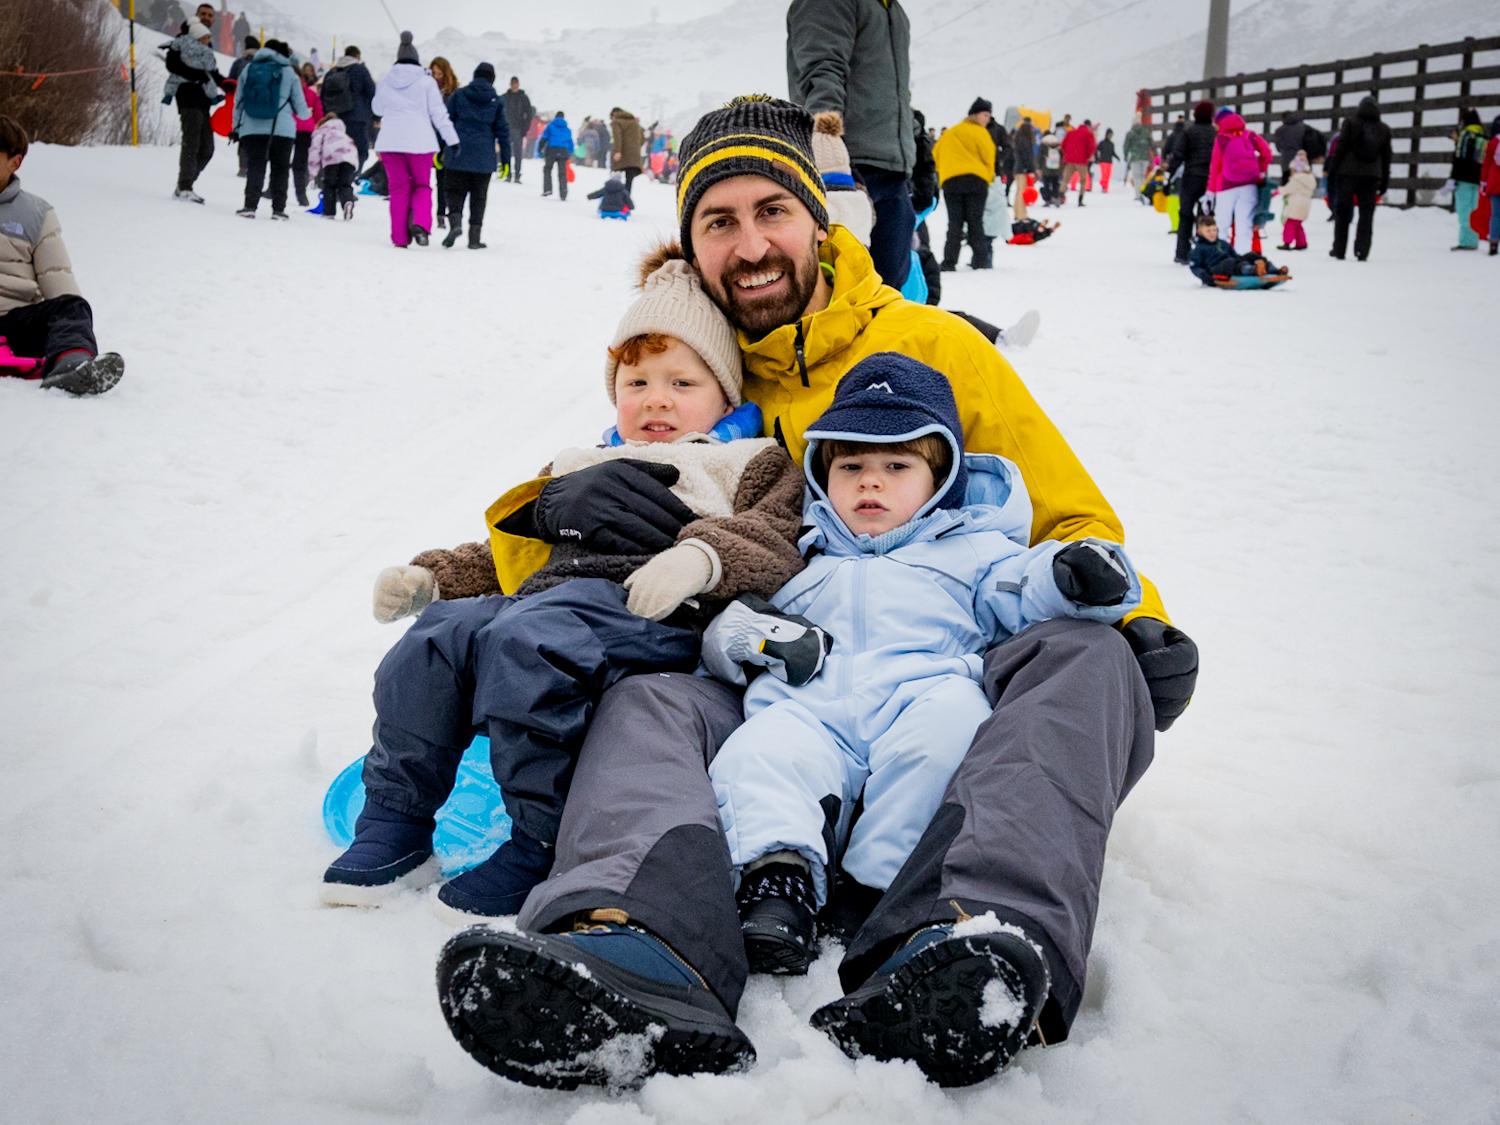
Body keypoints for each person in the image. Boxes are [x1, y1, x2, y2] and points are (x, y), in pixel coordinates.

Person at [435, 95, 1199, 1091]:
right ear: (693, 247)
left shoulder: (936, 347)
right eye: (719, 221)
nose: (750, 244)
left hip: (945, 653)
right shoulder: (696, 369)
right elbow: (582, 575)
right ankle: (638, 943)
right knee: (649, 697)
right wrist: (564, 510)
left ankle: (967, 936)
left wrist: (1136, 620)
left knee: (1088, 656)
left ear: (818, 220)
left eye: (771, 212)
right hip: (775, 669)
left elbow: (1068, 522)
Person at [322, 251, 806, 920]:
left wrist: (701, 556)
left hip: (654, 616)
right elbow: (516, 551)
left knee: (530, 640)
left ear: (727, 393)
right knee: (441, 636)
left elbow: (776, 536)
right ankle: (397, 817)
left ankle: (537, 836)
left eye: (681, 381)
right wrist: (434, 575)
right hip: (549, 602)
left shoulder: (746, 460)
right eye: (636, 382)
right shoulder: (581, 460)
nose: (656, 398)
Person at [708, 353, 1141, 976]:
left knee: (947, 739)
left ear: (941, 478)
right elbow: (722, 629)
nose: (870, 483)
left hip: (923, 694)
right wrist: (756, 635)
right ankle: (778, 886)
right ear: (822, 473)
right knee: (762, 754)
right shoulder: (799, 554)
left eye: (897, 466)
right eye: (850, 466)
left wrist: (1074, 574)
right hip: (809, 708)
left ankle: (879, 892)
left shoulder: (972, 549)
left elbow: (1023, 587)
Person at [787, 0, 916, 290]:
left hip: (891, 166)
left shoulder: (892, 9)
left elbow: (898, 93)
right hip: (846, 163)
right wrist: (825, 136)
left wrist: (917, 151)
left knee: (888, 289)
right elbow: (821, 68)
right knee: (843, 286)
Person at [0, 116, 125, 396]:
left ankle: (71, 367)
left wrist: (72, 322)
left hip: (12, 320)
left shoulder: (36, 213)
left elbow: (57, 278)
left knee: (71, 307)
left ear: (14, 162)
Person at [371, 32, 458, 248]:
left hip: (390, 141)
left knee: (398, 189)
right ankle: (419, 223)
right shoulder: (427, 82)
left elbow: (376, 109)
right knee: (421, 186)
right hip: (420, 143)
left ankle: (400, 238)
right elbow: (439, 114)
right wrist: (452, 140)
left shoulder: (385, 80)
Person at [229, 40, 307, 221]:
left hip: (252, 127)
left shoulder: (249, 69)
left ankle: (249, 206)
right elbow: (302, 110)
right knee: (280, 169)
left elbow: (238, 102)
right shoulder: (289, 72)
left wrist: (235, 127)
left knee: (256, 166)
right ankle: (278, 210)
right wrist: (304, 113)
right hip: (283, 130)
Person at [441, 63, 510, 250]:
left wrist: (440, 149)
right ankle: (474, 238)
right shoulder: (496, 100)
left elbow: (445, 122)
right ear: (492, 79)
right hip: (483, 158)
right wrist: (506, 162)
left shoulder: (459, 94)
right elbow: (503, 132)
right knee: (479, 197)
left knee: (454, 192)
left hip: (458, 153)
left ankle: (455, 223)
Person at [163, 19, 225, 204]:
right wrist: (198, 76)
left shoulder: (206, 52)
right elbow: (173, 66)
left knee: (207, 148)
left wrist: (227, 84)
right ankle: (185, 187)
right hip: (188, 99)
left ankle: (185, 184)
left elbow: (212, 74)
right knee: (192, 143)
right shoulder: (179, 46)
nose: (208, 39)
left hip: (203, 102)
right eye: (205, 36)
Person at [933, 99, 997, 270]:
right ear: (975, 114)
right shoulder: (980, 133)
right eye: (985, 115)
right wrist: (989, 176)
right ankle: (981, 260)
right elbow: (989, 156)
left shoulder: (950, 133)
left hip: (951, 182)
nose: (987, 119)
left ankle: (949, 262)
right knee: (975, 222)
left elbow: (936, 154)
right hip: (976, 181)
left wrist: (945, 172)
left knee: (954, 223)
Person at [1326, 96, 1392, 261]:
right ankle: (1362, 250)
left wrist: (1333, 170)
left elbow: (1341, 147)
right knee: (1367, 214)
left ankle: (1339, 249)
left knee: (1343, 212)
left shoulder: (1350, 122)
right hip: (1371, 175)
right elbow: (1386, 157)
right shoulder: (1384, 129)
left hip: (1347, 173)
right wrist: (1384, 181)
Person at [1207, 108, 1272, 252]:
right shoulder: (1250, 135)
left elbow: (1215, 165)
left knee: (1222, 225)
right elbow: (1267, 153)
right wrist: (1260, 170)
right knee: (1244, 225)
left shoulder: (1222, 139)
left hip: (1225, 186)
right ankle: (1241, 259)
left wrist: (1210, 190)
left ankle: (1221, 258)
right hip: (1249, 185)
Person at [1168, 100, 1217, 265]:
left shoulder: (1189, 132)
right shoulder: (1215, 133)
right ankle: (1205, 253)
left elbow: (1178, 153)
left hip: (1190, 178)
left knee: (1185, 215)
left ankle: (1182, 253)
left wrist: (1171, 172)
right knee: (1206, 217)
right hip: (1209, 180)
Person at [1187, 212, 1288, 285]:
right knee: (1230, 262)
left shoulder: (1223, 243)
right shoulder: (1198, 249)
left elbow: (1235, 256)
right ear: (1200, 232)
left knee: (1252, 255)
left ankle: (1274, 270)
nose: (1212, 233)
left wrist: (1246, 258)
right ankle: (1253, 270)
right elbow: (1195, 267)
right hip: (1216, 269)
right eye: (1208, 231)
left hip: (1233, 263)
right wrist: (1206, 277)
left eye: (1214, 230)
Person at [326, 46, 377, 172]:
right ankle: (348, 182)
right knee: (361, 152)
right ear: (357, 56)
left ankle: (335, 183)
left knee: (337, 152)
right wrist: (375, 116)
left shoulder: (332, 72)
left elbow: (323, 95)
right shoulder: (361, 70)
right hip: (357, 119)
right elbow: (372, 93)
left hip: (335, 119)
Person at [308, 113, 359, 221]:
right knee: (345, 184)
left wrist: (313, 171)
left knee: (329, 184)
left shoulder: (322, 131)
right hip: (349, 159)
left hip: (331, 158)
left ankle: (329, 212)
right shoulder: (344, 135)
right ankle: (347, 202)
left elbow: (315, 150)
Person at [428, 57, 460, 228]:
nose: (436, 77)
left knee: (445, 178)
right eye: (434, 73)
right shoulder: (426, 88)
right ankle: (435, 212)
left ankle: (442, 212)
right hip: (429, 137)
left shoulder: (454, 92)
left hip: (446, 137)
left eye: (439, 74)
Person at [1450, 107, 1486, 252]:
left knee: (1464, 210)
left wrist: (1453, 177)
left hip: (1464, 177)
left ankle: (1467, 241)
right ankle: (1473, 239)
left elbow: (1460, 157)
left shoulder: (1465, 135)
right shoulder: (1483, 134)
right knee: (1474, 208)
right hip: (1478, 179)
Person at [291, 62, 323, 208]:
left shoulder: (284, 90)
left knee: (279, 161)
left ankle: (273, 190)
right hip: (306, 129)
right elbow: (319, 114)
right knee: (300, 163)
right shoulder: (310, 94)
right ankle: (301, 195)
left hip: (284, 129)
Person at [1278, 150, 1316, 250]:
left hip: (1295, 205)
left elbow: (1287, 189)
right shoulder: (1310, 178)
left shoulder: (1296, 179)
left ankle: (1287, 242)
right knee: (1297, 225)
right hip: (1305, 205)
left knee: (1289, 225)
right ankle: (1301, 243)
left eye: (1292, 169)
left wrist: (1278, 191)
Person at [503, 77, 533, 183]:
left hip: (518, 129)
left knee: (518, 153)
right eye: (512, 83)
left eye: (516, 83)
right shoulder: (505, 97)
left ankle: (517, 175)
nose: (514, 85)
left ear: (518, 84)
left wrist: (525, 128)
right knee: (506, 152)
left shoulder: (523, 98)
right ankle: (507, 174)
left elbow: (529, 114)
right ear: (510, 84)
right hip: (506, 129)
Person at [538, 111, 574, 200]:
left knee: (547, 169)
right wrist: (570, 153)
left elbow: (544, 138)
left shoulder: (550, 126)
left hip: (552, 150)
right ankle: (563, 193)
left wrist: (539, 149)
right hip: (564, 151)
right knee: (562, 173)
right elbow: (570, 142)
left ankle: (547, 189)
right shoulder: (567, 129)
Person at [1060, 118, 1096, 204]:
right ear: (1089, 126)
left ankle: (1060, 196)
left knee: (1065, 180)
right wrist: (1087, 157)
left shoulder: (1071, 132)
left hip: (1070, 160)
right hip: (1081, 161)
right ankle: (1080, 200)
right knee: (1083, 181)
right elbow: (1092, 147)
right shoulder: (1088, 134)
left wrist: (1067, 154)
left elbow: (1063, 145)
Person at [609, 107, 645, 195]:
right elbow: (642, 139)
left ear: (614, 115)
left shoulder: (616, 122)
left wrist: (618, 151)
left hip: (622, 154)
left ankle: (614, 199)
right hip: (634, 155)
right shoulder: (635, 122)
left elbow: (617, 137)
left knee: (615, 178)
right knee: (629, 181)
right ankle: (626, 201)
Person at [1482, 114, 1500, 256]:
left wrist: (1484, 181)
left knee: (1495, 215)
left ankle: (1493, 243)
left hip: (1495, 184)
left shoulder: (1493, 142)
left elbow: (1486, 164)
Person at [1122, 113, 1153, 193]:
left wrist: (1125, 156)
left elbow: (1126, 146)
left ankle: (1138, 194)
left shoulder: (1130, 133)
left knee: (1136, 176)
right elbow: (1152, 144)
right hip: (1145, 157)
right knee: (1143, 176)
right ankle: (1143, 192)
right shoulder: (1146, 132)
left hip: (1135, 158)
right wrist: (1155, 155)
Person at [1038, 129, 1063, 206]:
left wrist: (1039, 167)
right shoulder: (1057, 143)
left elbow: (1040, 156)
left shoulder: (1043, 143)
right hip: (1056, 168)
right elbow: (1061, 155)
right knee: (1055, 183)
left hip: (1046, 169)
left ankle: (1048, 200)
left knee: (1046, 184)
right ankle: (1055, 197)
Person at [1096, 128, 1117, 192]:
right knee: (1104, 175)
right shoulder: (1102, 143)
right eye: (1109, 134)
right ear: (1106, 134)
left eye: (1111, 135)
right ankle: (1103, 185)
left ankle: (1105, 189)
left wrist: (1117, 157)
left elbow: (1113, 152)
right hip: (1103, 161)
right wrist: (1097, 158)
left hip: (1109, 162)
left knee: (1108, 176)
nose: (1110, 136)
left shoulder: (1112, 144)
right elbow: (1097, 150)